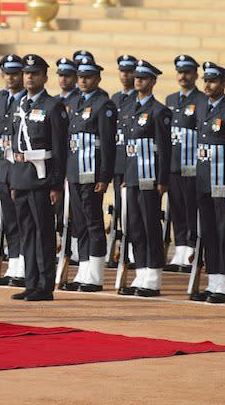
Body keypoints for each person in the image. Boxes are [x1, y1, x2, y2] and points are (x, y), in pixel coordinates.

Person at [9, 54, 68, 302]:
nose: (29, 77)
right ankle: (31, 282)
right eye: (26, 73)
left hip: (42, 179)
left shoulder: (53, 106)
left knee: (43, 232)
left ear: (44, 77)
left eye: (34, 73)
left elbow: (60, 148)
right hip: (21, 176)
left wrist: (55, 183)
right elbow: (14, 143)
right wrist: (13, 180)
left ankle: (45, 285)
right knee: (27, 232)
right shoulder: (19, 104)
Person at [190, 61, 225, 304]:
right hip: (204, 181)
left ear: (224, 83)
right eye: (206, 80)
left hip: (223, 182)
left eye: (213, 81)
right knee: (209, 232)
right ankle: (213, 282)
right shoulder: (202, 108)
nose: (207, 85)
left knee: (224, 231)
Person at [60, 57, 116, 292]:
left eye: (88, 77)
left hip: (92, 173)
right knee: (79, 223)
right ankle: (83, 272)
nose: (83, 81)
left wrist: (104, 177)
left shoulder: (104, 105)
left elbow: (108, 144)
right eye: (80, 77)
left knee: (93, 223)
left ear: (98, 78)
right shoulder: (74, 101)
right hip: (74, 171)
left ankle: (95, 275)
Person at [118, 60, 171, 297]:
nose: (138, 81)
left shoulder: (160, 111)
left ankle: (153, 277)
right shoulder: (129, 108)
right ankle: (140, 273)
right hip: (132, 177)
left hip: (150, 177)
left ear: (153, 81)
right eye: (137, 77)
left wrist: (162, 180)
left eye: (143, 78)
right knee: (135, 227)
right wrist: (125, 176)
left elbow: (165, 149)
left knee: (150, 226)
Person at [165, 55, 204, 272]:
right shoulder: (171, 100)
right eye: (180, 72)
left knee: (191, 209)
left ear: (195, 75)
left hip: (192, 166)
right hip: (173, 165)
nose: (183, 76)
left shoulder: (201, 100)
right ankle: (179, 250)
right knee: (176, 209)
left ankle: (192, 249)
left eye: (188, 72)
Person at [0, 54, 27, 286]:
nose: (11, 77)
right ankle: (14, 263)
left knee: (24, 220)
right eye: (7, 73)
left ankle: (24, 266)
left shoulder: (28, 99)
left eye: (15, 73)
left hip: (23, 168)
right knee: (10, 221)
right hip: (4, 165)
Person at [110, 55, 138, 266]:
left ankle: (134, 251)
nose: (126, 75)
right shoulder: (115, 98)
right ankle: (124, 247)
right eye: (122, 70)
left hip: (134, 164)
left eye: (129, 71)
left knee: (134, 212)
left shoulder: (139, 99)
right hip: (117, 162)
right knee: (120, 209)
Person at [54, 57, 80, 262]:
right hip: (55, 161)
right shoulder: (54, 102)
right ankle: (62, 242)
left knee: (75, 208)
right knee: (58, 206)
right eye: (61, 75)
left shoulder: (80, 100)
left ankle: (76, 246)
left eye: (68, 75)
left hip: (75, 160)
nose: (63, 79)